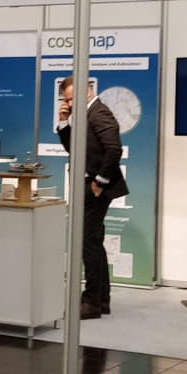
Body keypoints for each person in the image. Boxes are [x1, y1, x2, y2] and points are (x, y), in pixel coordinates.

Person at [55, 75, 129, 320]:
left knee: (86, 242)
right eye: (66, 100)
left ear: (87, 91)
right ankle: (101, 299)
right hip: (89, 183)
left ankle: (91, 302)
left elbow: (114, 149)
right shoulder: (85, 114)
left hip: (97, 186)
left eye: (72, 99)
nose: (69, 103)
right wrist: (64, 123)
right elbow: (74, 150)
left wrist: (100, 181)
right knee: (93, 240)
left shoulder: (99, 113)